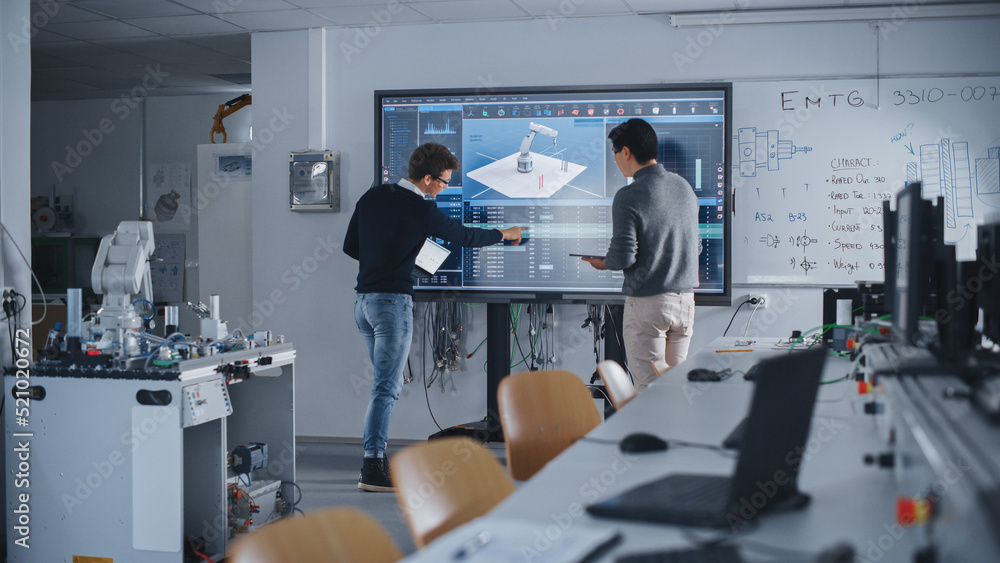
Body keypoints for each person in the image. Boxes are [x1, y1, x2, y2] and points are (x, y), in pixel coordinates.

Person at [343, 142, 527, 492]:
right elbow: (464, 236)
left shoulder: (373, 197)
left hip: (363, 304)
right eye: (443, 182)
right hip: (392, 304)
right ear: (426, 178)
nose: (444, 188)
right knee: (386, 387)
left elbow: (351, 247)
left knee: (385, 385)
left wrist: (394, 259)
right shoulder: (420, 207)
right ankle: (372, 468)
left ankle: (373, 461)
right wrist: (506, 234)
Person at [582, 118, 700, 392]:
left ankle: (652, 436)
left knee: (650, 392)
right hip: (685, 304)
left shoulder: (629, 194)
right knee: (672, 389)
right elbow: (697, 246)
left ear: (626, 152)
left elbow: (623, 257)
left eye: (614, 153)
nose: (615, 160)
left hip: (649, 305)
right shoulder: (683, 186)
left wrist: (603, 263)